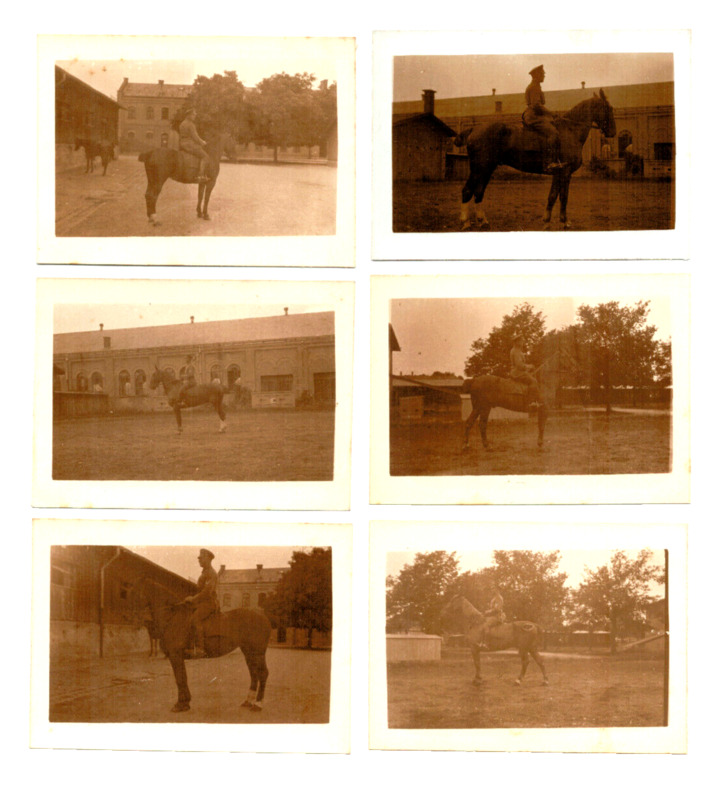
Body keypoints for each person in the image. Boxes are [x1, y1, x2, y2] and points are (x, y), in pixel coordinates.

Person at [523, 64, 564, 173]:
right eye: (542, 74)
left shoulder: (537, 86)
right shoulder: (534, 87)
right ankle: (549, 162)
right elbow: (536, 105)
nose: (544, 75)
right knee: (553, 133)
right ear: (536, 75)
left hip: (537, 115)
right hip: (533, 116)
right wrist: (552, 114)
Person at [185, 548, 219, 658]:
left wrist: (193, 599)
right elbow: (199, 588)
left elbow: (207, 591)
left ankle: (200, 648)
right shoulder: (204, 572)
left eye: (201, 558)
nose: (199, 560)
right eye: (199, 558)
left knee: (195, 619)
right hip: (202, 603)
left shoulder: (211, 573)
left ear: (208, 559)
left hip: (209, 603)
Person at [509, 334, 542, 408]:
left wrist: (528, 367)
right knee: (533, 381)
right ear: (517, 342)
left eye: (522, 340)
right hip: (517, 373)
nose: (522, 342)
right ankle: (531, 402)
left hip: (519, 372)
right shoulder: (516, 351)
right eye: (521, 341)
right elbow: (519, 365)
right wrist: (529, 366)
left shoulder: (517, 350)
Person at [178, 108, 210, 182]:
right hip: (189, 144)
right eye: (193, 115)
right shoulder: (190, 124)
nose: (194, 116)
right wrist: (203, 142)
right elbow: (195, 137)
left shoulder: (182, 123)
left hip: (182, 143)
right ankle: (200, 175)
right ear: (189, 115)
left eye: (194, 115)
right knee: (205, 156)